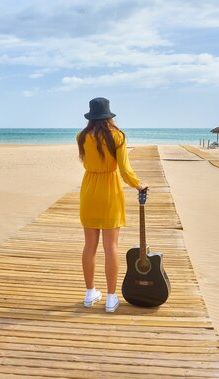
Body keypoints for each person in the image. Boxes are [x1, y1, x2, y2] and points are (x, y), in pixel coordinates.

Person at [76, 97, 148, 313]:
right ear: (109, 116)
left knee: (90, 246)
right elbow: (125, 171)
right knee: (111, 247)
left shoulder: (81, 136)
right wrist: (138, 184)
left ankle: (90, 294)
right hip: (109, 191)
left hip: (89, 190)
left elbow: (86, 161)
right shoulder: (117, 136)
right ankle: (110, 298)